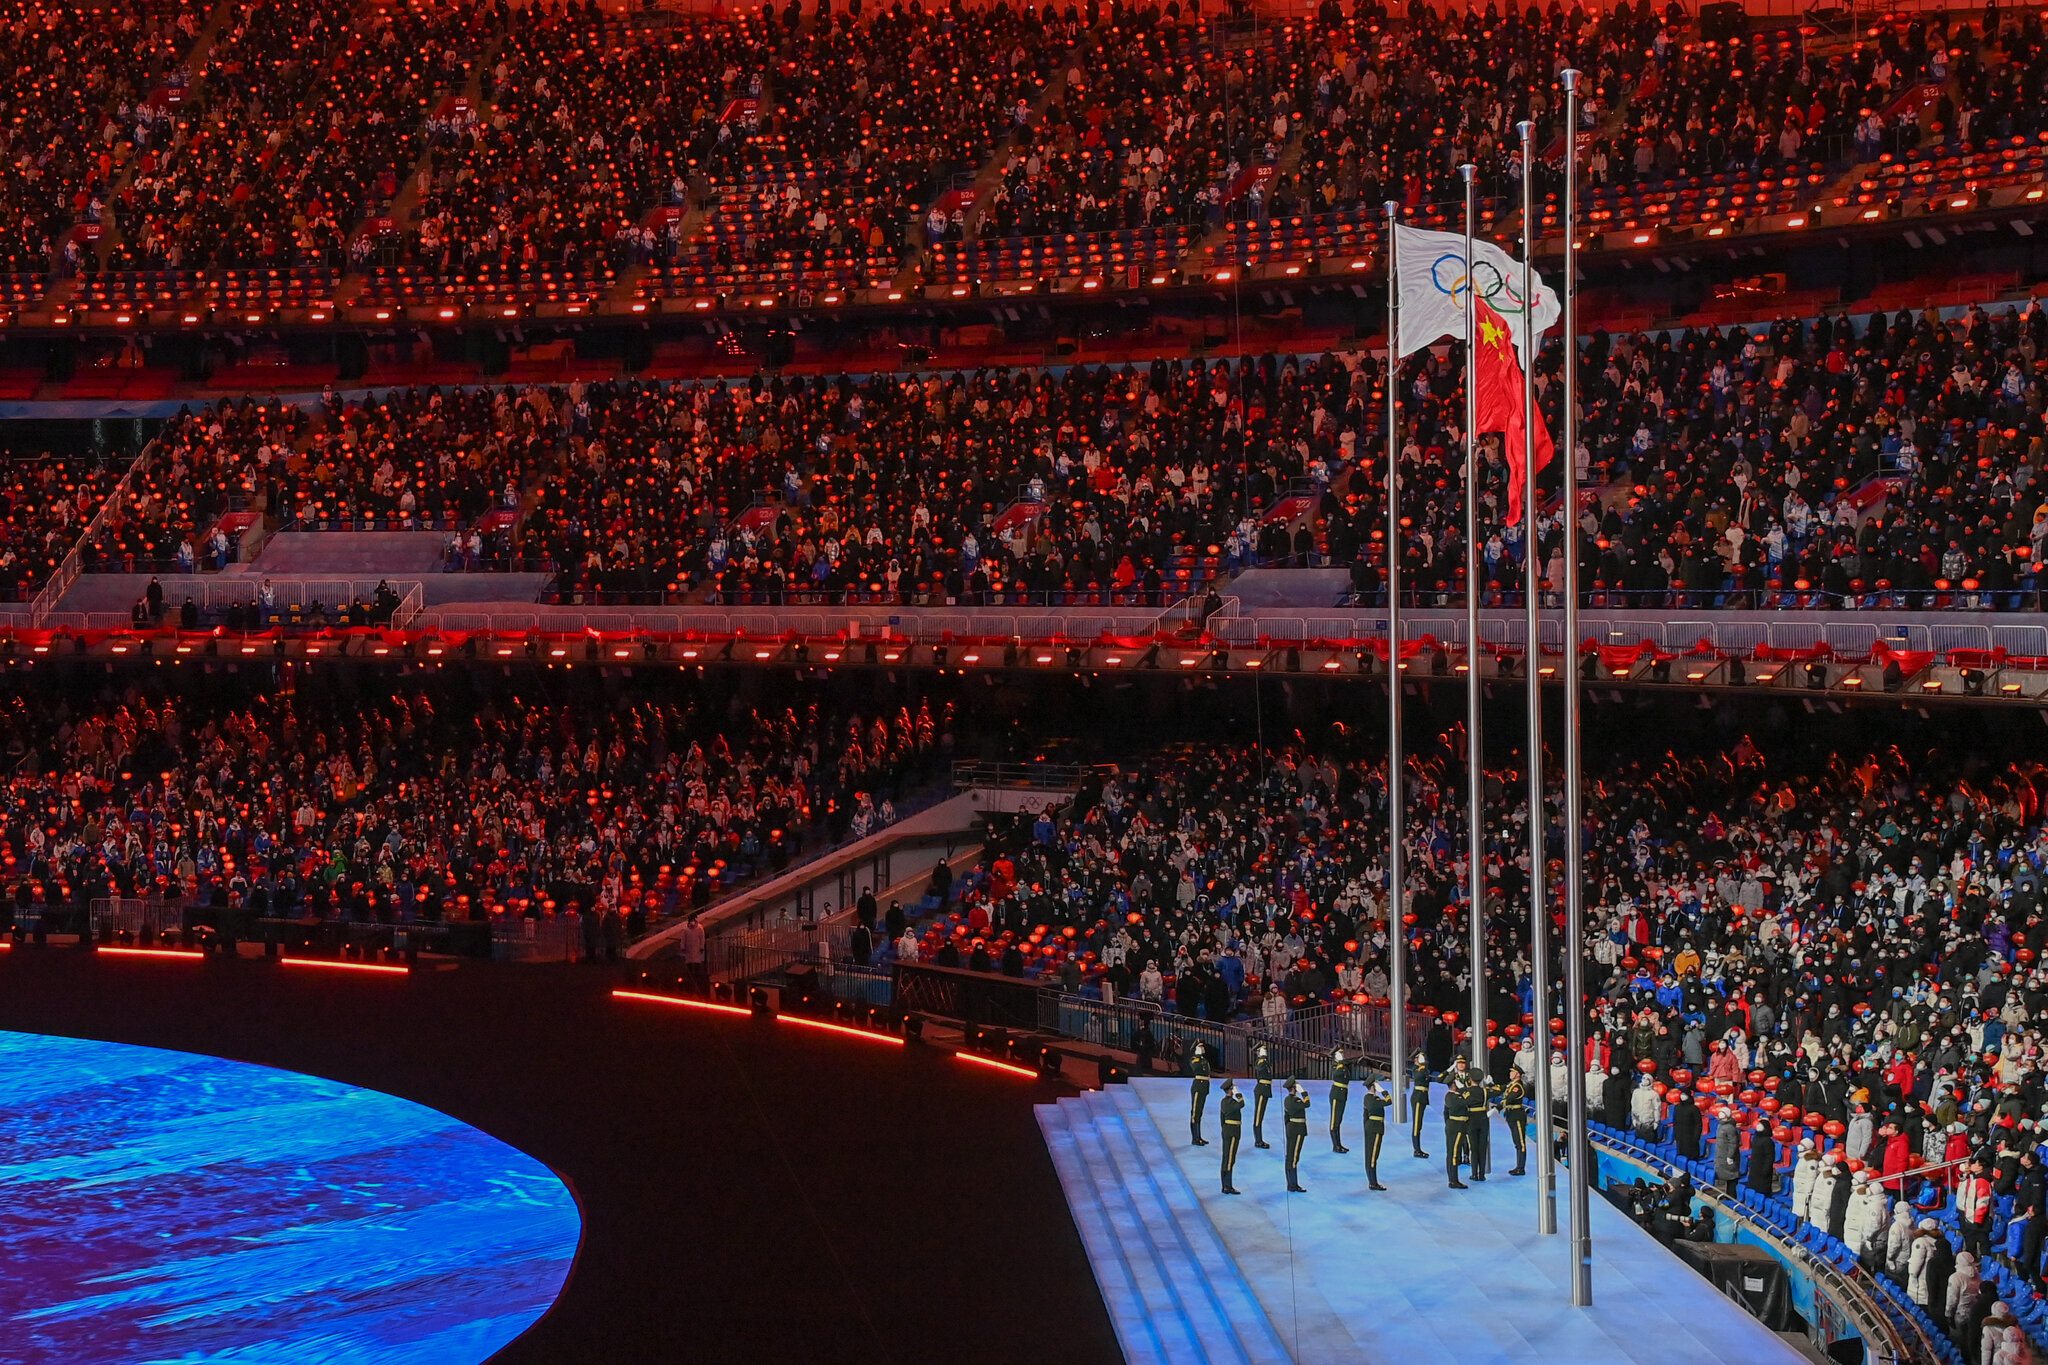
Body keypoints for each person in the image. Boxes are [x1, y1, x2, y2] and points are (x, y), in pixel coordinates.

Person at [1444, 1072, 1473, 1189]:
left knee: (1452, 1153)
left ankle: (1453, 1179)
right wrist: (1465, 1090)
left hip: (1454, 1126)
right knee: (1454, 1154)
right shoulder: (1451, 1096)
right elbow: (1468, 1101)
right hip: (1457, 1127)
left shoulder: (1453, 1096)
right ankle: (1453, 1180)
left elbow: (1445, 1114)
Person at [1360, 1078, 1389, 1190]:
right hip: (1376, 1128)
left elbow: (1365, 1115)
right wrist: (1383, 1091)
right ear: (1373, 1087)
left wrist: (1366, 1128)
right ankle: (1373, 1183)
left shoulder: (1366, 1098)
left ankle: (1372, 1181)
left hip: (1369, 1127)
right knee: (1373, 1157)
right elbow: (1389, 1101)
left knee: (1369, 1155)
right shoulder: (1374, 1099)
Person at [1283, 1079, 1310, 1193]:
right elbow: (1307, 1103)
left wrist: (1288, 1127)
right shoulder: (1296, 1100)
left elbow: (1286, 1117)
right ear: (1294, 1088)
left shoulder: (1286, 1100)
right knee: (1294, 1158)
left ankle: (1290, 1183)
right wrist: (1303, 1092)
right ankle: (1293, 1184)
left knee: (1289, 1156)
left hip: (1290, 1128)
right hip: (1298, 1130)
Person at [1500, 1070, 1529, 1176]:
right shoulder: (1511, 1085)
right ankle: (1518, 1166)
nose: (1510, 1073)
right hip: (1511, 1114)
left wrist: (1499, 1106)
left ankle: (1521, 1168)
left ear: (1518, 1074)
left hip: (1517, 1115)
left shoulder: (1517, 1087)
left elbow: (1509, 1098)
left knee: (1520, 1142)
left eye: (1512, 1072)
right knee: (1516, 1141)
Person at [1219, 1079, 1245, 1194]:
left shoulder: (1223, 1102)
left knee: (1226, 1157)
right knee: (1230, 1159)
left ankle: (1225, 1185)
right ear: (1230, 1090)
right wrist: (1238, 1094)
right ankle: (1227, 1186)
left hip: (1226, 1130)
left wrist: (1224, 1129)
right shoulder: (1232, 1102)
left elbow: (1222, 1118)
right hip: (1233, 1131)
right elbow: (1242, 1103)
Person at [1328, 1049, 1352, 1153]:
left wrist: (1342, 1063)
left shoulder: (1343, 1064)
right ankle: (1335, 1146)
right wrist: (1341, 1063)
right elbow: (1336, 1075)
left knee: (1339, 1120)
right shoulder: (1335, 1065)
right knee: (1334, 1121)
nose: (1342, 1054)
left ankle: (1339, 1144)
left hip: (1342, 1094)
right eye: (1340, 1053)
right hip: (1336, 1094)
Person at [1188, 1041, 1212, 1146]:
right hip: (1198, 1086)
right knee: (1195, 1113)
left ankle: (1198, 1136)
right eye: (1201, 1047)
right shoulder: (1195, 1059)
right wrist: (1197, 1055)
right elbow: (1195, 1067)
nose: (1203, 1049)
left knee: (1199, 1113)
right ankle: (1195, 1138)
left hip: (1204, 1087)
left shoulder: (1203, 1059)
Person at [1252, 1043, 1274, 1148]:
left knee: (1261, 1116)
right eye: (1263, 1050)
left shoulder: (1265, 1061)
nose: (1265, 1052)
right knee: (1258, 1117)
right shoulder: (1260, 1061)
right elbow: (1259, 1067)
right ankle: (1258, 1140)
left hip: (1265, 1090)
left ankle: (1259, 1139)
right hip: (1261, 1090)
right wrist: (1261, 1057)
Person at [1409, 1052, 1431, 1158]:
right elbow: (1419, 1076)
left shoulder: (1424, 1069)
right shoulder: (1416, 1069)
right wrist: (1421, 1065)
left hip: (1422, 1098)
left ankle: (1417, 1148)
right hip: (1418, 1098)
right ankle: (1416, 1149)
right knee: (1416, 1125)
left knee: (1419, 1124)